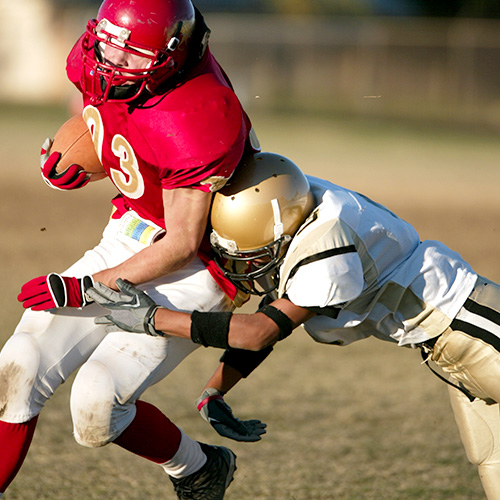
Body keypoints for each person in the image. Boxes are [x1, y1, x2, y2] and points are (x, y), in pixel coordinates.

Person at [89, 151, 500, 500]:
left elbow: (260, 331)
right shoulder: (289, 197)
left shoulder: (326, 238)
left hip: (471, 326)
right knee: (493, 463)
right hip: (446, 347)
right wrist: (215, 388)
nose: (247, 267)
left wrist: (153, 319)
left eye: (253, 254)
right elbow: (279, 309)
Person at [0, 1, 264, 498]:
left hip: (203, 262)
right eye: (108, 47)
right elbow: (101, 106)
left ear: (172, 53)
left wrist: (84, 288)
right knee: (20, 363)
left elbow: (184, 242)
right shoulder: (108, 50)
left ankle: (197, 467)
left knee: (97, 405)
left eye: (130, 56)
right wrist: (86, 150)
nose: (112, 62)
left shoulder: (199, 111)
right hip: (135, 227)